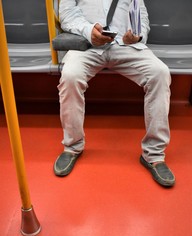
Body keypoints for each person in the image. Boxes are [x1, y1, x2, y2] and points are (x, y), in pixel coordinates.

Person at [53, 0, 175, 187]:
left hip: (125, 46)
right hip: (88, 46)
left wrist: (137, 36)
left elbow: (141, 16)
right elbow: (67, 15)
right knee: (70, 76)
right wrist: (89, 30)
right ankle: (73, 146)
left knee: (160, 73)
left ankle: (154, 154)